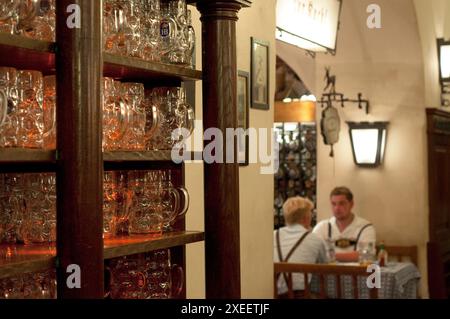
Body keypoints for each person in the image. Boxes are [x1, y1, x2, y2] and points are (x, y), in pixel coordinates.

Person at [274, 196, 328, 297]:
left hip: (271, 293)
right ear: (306, 218)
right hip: (299, 295)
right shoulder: (315, 239)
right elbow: (325, 268)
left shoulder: (272, 235)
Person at [313, 186, 376, 262]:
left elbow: (367, 255)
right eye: (333, 204)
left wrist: (329, 256)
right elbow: (313, 252)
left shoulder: (365, 227)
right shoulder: (322, 227)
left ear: (351, 204)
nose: (337, 208)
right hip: (328, 272)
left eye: (341, 203)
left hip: (354, 272)